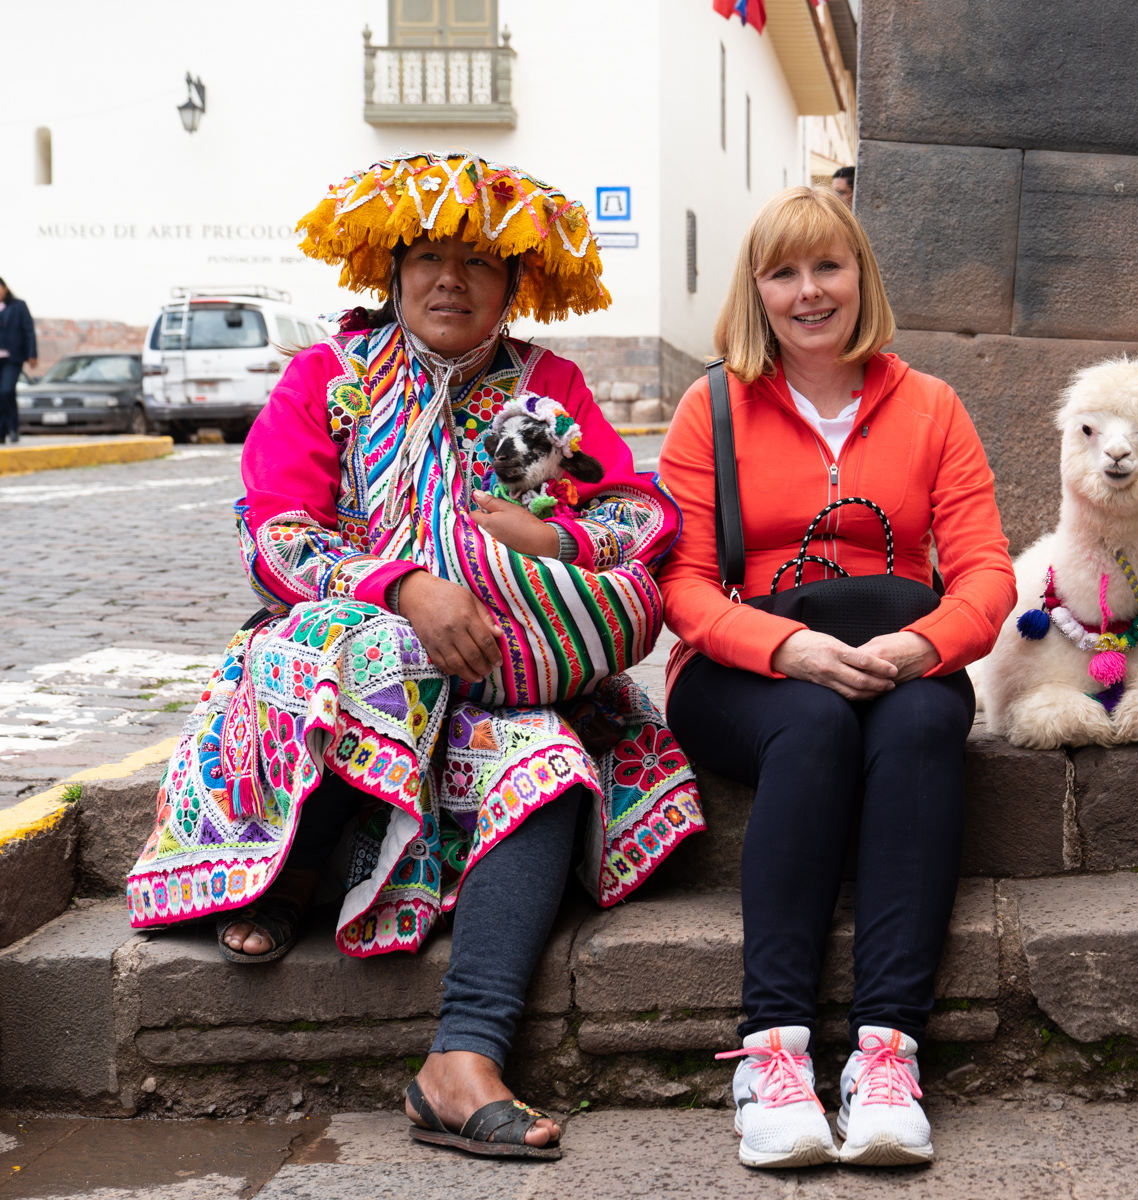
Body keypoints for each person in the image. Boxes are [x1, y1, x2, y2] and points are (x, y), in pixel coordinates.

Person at [125, 154, 698, 1160]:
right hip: (338, 670)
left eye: (478, 262)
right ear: (391, 270)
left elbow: (632, 510)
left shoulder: (537, 393)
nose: (450, 280)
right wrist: (403, 584)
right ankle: (299, 861)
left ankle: (461, 1059)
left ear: (514, 285)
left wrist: (558, 543)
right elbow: (283, 531)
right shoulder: (333, 382)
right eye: (429, 256)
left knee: (554, 769)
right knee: (391, 650)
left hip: (496, 675)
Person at [658, 186, 1014, 1168]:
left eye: (829, 266)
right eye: (784, 272)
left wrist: (916, 650)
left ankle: (887, 1057)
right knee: (813, 727)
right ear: (757, 290)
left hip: (899, 652)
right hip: (744, 668)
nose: (809, 291)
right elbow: (681, 583)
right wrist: (784, 650)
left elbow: (985, 569)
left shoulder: (932, 405)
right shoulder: (712, 406)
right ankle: (773, 1055)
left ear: (862, 276)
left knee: (921, 727)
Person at [0, 277, 38, 443]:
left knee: (7, 391)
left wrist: (32, 354)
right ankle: (2, 433)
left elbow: (28, 330)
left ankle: (13, 427)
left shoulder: (18, 306)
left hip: (12, 358)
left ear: (4, 288)